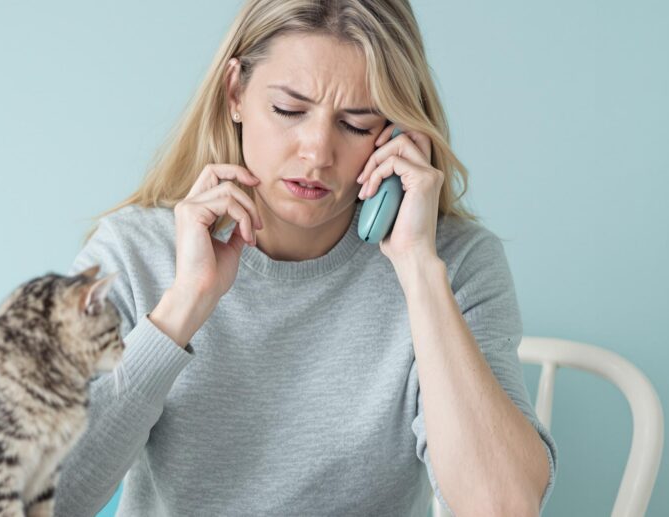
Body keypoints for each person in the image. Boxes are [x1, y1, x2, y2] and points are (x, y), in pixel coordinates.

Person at [54, 1, 558, 515]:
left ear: (397, 135)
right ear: (235, 94)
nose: (317, 152)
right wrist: (183, 305)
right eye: (290, 110)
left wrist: (419, 271)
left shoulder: (456, 264)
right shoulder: (133, 252)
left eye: (357, 124)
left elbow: (503, 506)